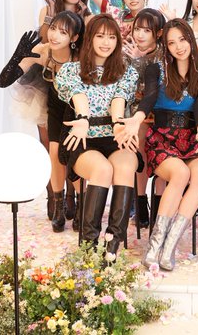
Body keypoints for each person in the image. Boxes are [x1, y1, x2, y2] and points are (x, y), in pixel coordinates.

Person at [116, 19, 198, 271]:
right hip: (162, 136)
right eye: (171, 43)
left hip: (190, 137)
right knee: (180, 173)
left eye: (182, 40)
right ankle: (154, 246)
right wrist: (137, 118)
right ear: (166, 47)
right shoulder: (156, 69)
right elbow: (149, 98)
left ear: (190, 40)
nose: (178, 47)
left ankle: (169, 247)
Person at [55, 14, 140, 256]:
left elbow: (118, 100)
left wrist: (118, 124)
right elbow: (78, 96)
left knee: (126, 165)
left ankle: (112, 247)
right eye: (100, 36)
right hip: (83, 138)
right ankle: (89, 248)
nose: (106, 42)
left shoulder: (126, 72)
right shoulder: (71, 70)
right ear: (90, 38)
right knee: (102, 170)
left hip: (114, 135)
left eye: (112, 37)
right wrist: (83, 119)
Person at [0, 11, 84, 232]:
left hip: (78, 110)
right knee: (54, 153)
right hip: (55, 107)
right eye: (53, 28)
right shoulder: (43, 51)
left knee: (75, 156)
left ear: (74, 38)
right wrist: (17, 55)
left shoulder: (82, 56)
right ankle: (58, 205)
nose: (54, 35)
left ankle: (82, 205)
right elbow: (3, 81)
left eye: (63, 32)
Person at [37, 0, 93, 218]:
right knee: (51, 145)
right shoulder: (48, 11)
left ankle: (75, 198)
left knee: (75, 145)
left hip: (77, 84)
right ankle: (55, 197)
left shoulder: (87, 14)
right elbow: (43, 41)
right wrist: (51, 14)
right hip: (49, 80)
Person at [125, 8, 166, 229]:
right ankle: (140, 201)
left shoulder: (165, 54)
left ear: (158, 33)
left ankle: (159, 203)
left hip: (162, 110)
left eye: (147, 30)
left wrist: (141, 61)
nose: (140, 35)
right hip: (136, 112)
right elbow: (127, 88)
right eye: (137, 29)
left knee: (162, 145)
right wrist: (135, 61)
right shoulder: (126, 52)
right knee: (139, 145)